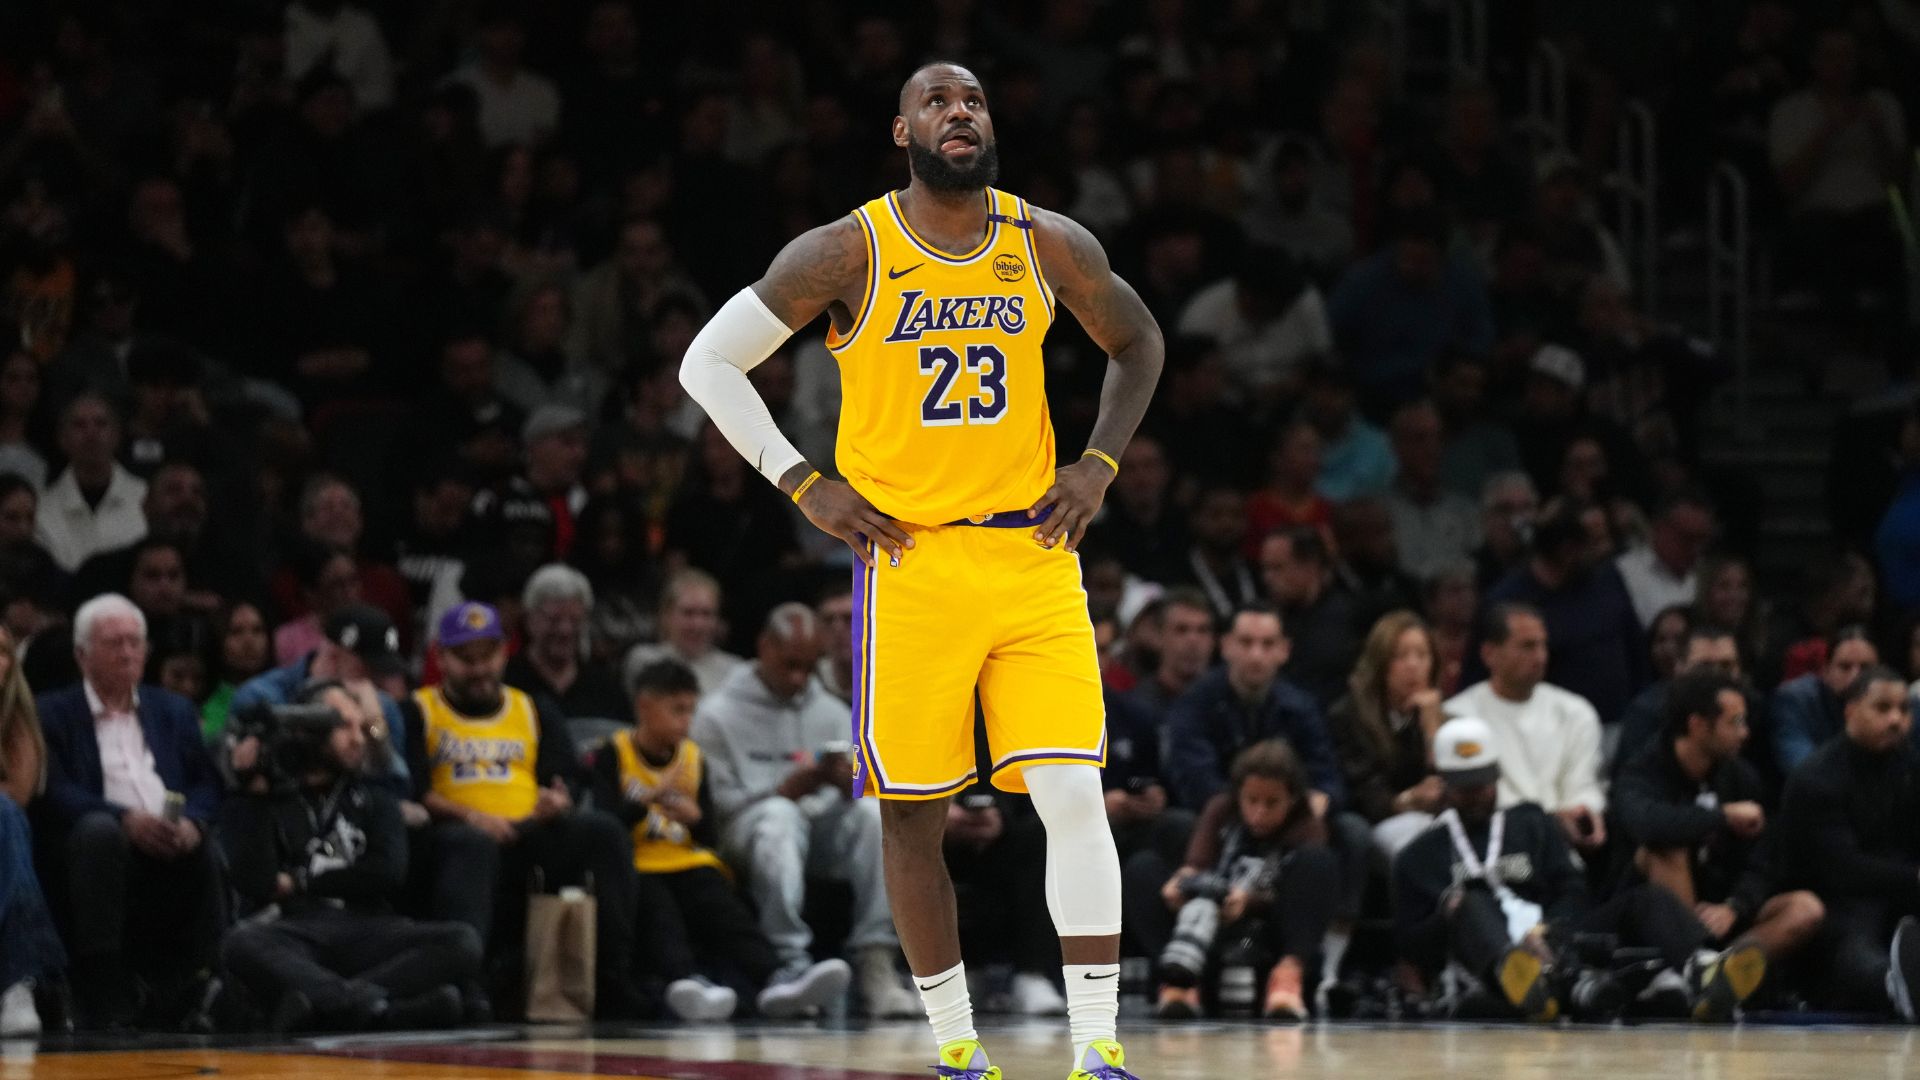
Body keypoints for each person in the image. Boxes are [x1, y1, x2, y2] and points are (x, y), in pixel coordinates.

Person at [675, 61, 1164, 1080]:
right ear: (901, 131)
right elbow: (707, 363)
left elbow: (1139, 340)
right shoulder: (847, 249)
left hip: (1032, 555)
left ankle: (1098, 1048)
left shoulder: (1047, 242)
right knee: (913, 815)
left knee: (1073, 794)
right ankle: (955, 1047)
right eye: (937, 102)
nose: (959, 112)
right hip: (912, 562)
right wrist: (803, 481)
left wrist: (1100, 462)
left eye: (975, 100)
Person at [1394, 717, 1752, 1022]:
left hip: (1556, 938)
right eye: (1465, 785)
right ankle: (1526, 979)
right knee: (1470, 899)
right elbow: (1411, 945)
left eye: (1484, 781)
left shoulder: (1531, 823)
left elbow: (1572, 888)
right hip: (1480, 967)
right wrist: (1447, 915)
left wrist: (1550, 932)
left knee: (1647, 899)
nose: (1477, 793)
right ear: (1444, 782)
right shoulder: (1417, 857)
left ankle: (1704, 970)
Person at [404, 601, 642, 1019]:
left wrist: (557, 801)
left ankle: (611, 977)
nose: (479, 670)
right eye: (465, 659)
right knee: (470, 846)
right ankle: (465, 982)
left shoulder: (533, 708)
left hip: (528, 830)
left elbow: (562, 778)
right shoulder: (419, 710)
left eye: (488, 657)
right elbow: (416, 792)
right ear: (440, 658)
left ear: (505, 653)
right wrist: (474, 818)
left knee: (602, 833)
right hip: (454, 835)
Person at [590, 658, 850, 1022]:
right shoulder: (613, 752)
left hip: (688, 859)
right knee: (660, 914)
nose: (687, 720)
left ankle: (776, 978)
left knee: (727, 911)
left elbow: (711, 835)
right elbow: (603, 823)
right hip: (640, 863)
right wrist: (646, 799)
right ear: (645, 707)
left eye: (691, 710)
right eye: (676, 709)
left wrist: (695, 819)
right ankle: (686, 982)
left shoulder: (694, 757)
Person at [692, 605, 917, 1020]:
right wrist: (781, 791)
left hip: (817, 828)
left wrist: (848, 783)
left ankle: (876, 963)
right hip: (749, 831)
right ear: (764, 647)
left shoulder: (831, 711)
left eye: (808, 668)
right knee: (780, 815)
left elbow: (863, 784)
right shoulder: (717, 714)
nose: (798, 679)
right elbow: (715, 812)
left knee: (871, 813)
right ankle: (789, 962)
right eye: (789, 666)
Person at [219, 681, 483, 1032]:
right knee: (240, 943)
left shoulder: (376, 800)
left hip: (367, 927)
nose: (358, 738)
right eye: (344, 726)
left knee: (461, 941)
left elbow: (386, 872)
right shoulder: (269, 799)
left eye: (362, 727)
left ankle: (328, 1004)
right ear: (307, 730)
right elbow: (256, 880)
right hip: (298, 931)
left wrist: (299, 882)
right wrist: (250, 793)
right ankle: (382, 1009)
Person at [35, 593, 223, 1029]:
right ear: (83, 655)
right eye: (114, 642)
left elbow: (207, 784)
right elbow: (53, 791)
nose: (127, 652)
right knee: (100, 831)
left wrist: (193, 822)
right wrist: (125, 818)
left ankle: (209, 976)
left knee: (205, 843)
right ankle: (103, 983)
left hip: (168, 835)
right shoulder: (52, 712)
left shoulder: (172, 709)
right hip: (92, 844)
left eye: (135, 642)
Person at [1611, 673, 1826, 1019]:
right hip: (1653, 921)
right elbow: (1647, 824)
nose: (1745, 733)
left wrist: (1735, 906)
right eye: (1735, 722)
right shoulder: (1641, 772)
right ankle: (1698, 969)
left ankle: (1719, 978)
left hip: (1721, 914)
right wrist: (1721, 816)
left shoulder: (1740, 776)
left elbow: (1764, 858)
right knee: (1667, 848)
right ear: (1698, 725)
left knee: (1806, 908)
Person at [1152, 739, 1340, 1022]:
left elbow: (1295, 895)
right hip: (1209, 917)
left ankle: (1288, 975)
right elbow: (1196, 866)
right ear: (1238, 794)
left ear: (1292, 799)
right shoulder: (1220, 809)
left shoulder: (1307, 827)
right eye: (1251, 800)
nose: (1259, 813)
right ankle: (1178, 978)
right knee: (1144, 870)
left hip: (1270, 925)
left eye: (1271, 803)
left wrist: (1248, 901)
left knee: (1319, 862)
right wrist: (1180, 885)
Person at [1775, 666, 1920, 1017]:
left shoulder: (1910, 767)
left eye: (1903, 710)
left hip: (1897, 890)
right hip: (1836, 901)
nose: (1896, 720)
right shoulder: (1817, 776)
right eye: (1882, 708)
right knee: (1854, 945)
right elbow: (1842, 870)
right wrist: (1913, 876)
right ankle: (1892, 987)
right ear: (1851, 711)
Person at [1446, 603, 1607, 853]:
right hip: (1493, 843)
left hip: (1568, 844)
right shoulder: (1460, 715)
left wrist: (1583, 809)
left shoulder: (1576, 711)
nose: (1541, 657)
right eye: (1527, 646)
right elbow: (1480, 796)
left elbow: (1584, 782)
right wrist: (1549, 821)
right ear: (1489, 654)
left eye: (1543, 645)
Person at [1164, 604, 1344, 812]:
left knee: (1349, 828)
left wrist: (1320, 799)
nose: (1256, 655)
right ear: (1225, 646)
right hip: (1217, 816)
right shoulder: (1195, 704)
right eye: (1246, 642)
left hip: (1289, 814)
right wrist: (1254, 807)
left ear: (1284, 650)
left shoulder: (1301, 706)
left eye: (1268, 644)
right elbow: (1197, 782)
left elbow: (1327, 778)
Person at [1329, 611, 1446, 859]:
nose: (1413, 666)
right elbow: (1364, 794)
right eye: (1400, 656)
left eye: (1422, 656)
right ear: (1380, 664)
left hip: (1433, 819)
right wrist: (1409, 800)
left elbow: (1453, 788)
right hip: (1377, 821)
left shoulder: (1436, 714)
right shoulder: (1349, 716)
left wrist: (1433, 732)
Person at [1611, 625, 1749, 783]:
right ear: (1679, 667)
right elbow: (1627, 784)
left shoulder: (1754, 705)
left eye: (1726, 666)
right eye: (1704, 667)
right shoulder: (1647, 712)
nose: (1716, 675)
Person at [35, 393, 148, 573]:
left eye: (101, 424)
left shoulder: (146, 498)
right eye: (79, 425)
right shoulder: (42, 508)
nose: (91, 433)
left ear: (116, 436)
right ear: (62, 439)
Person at [1771, 626, 1905, 775]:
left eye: (1866, 668)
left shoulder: (1898, 703)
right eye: (1845, 667)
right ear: (1826, 671)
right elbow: (1802, 769)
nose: (1855, 676)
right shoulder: (1795, 699)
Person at [1254, 526, 1361, 710]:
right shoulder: (1264, 622)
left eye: (1277, 568)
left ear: (1310, 566)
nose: (1267, 578)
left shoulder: (1348, 618)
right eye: (1265, 569)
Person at [505, 564, 628, 723]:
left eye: (575, 620)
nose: (565, 630)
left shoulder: (605, 689)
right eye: (554, 620)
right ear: (529, 619)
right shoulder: (507, 685)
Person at [621, 569, 743, 697]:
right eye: (688, 613)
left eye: (706, 614)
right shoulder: (645, 659)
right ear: (666, 616)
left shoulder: (734, 671)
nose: (697, 625)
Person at [1616, 494, 1716, 629]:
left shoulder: (1709, 577)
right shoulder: (1623, 574)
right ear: (1661, 529)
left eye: (1702, 540)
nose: (1696, 549)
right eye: (1688, 539)